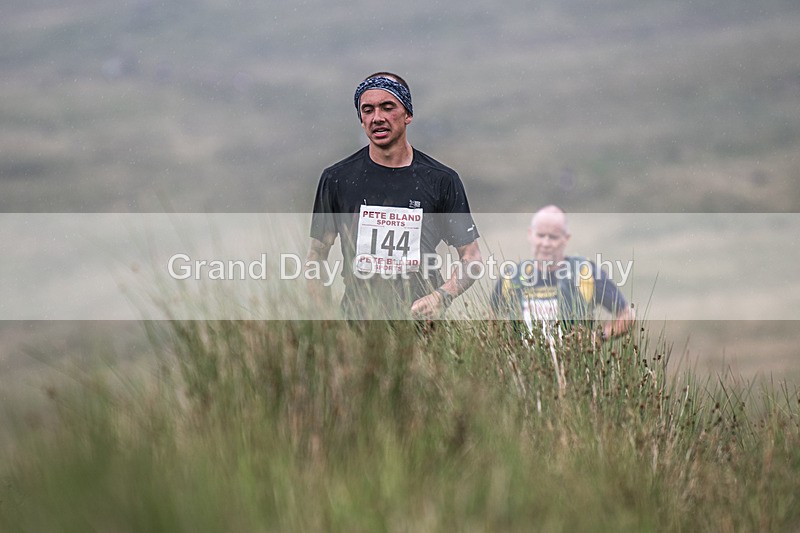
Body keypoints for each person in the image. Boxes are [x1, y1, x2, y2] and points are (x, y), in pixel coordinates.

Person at [306, 72, 482, 319]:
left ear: (407, 114)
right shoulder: (337, 179)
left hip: (423, 326)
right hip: (357, 325)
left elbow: (471, 258)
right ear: (361, 119)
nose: (377, 118)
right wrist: (325, 318)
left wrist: (442, 296)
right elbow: (316, 257)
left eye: (387, 107)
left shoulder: (441, 180)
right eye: (367, 110)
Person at [491, 205, 634, 339]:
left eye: (553, 237)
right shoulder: (511, 277)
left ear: (566, 239)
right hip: (523, 357)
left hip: (573, 357)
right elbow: (491, 321)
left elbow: (627, 315)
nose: (546, 243)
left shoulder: (585, 271)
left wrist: (598, 338)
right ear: (530, 234)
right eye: (540, 235)